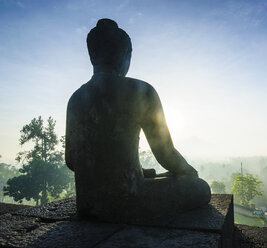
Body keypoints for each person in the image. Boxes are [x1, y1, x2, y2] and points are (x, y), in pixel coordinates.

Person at [65, 18, 211, 223]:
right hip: (129, 200)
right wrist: (187, 171)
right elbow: (165, 153)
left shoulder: (76, 99)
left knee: (162, 177)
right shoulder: (140, 91)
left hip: (89, 204)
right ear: (125, 55)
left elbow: (72, 160)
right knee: (201, 188)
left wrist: (135, 170)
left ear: (92, 56)